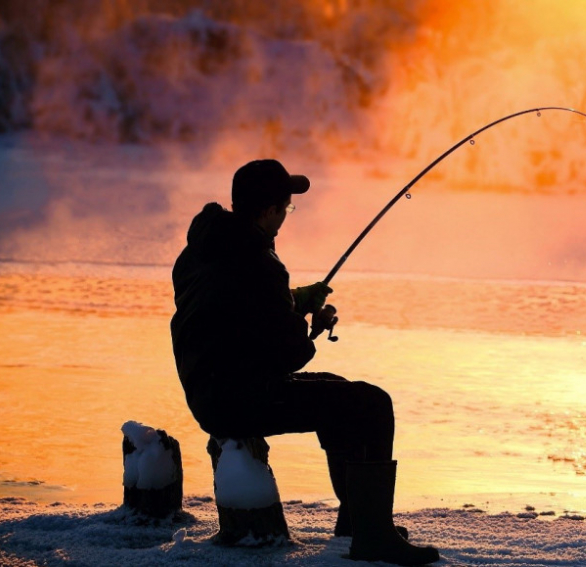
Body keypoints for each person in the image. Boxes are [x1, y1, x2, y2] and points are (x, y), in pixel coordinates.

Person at [170, 159, 439, 566]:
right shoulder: (259, 262)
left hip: (209, 387)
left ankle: (357, 522)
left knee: (338, 388)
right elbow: (290, 354)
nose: (285, 217)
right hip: (238, 398)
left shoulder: (203, 249)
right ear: (267, 211)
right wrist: (313, 323)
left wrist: (293, 300)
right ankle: (374, 537)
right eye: (286, 208)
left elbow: (236, 310)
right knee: (373, 404)